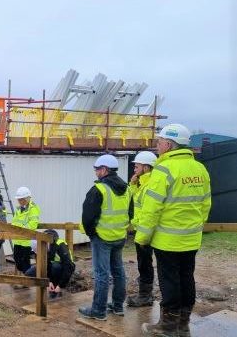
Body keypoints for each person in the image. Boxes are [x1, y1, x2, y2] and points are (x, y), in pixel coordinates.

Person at [136, 124, 211, 337]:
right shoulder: (200, 169)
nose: (157, 145)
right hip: (191, 239)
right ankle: (183, 324)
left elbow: (151, 210)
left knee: (170, 282)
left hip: (167, 241)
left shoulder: (164, 170)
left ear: (168, 145)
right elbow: (206, 204)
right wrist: (196, 227)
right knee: (187, 278)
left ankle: (167, 327)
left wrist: (142, 238)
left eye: (159, 142)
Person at [78, 154, 133, 321]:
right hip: (119, 237)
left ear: (105, 170)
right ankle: (118, 306)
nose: (95, 172)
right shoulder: (127, 189)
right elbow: (130, 213)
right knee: (118, 272)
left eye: (97, 169)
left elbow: (87, 217)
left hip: (102, 238)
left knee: (102, 274)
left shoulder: (99, 189)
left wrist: (92, 234)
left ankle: (99, 311)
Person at [127, 151, 158, 308]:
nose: (134, 169)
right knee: (143, 263)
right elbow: (138, 201)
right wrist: (133, 185)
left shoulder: (151, 184)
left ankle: (145, 296)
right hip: (143, 230)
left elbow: (149, 211)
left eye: (137, 166)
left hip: (147, 233)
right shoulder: (144, 183)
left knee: (145, 265)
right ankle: (145, 294)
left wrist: (143, 235)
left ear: (146, 167)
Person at [25, 229, 75, 299]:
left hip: (63, 267)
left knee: (55, 266)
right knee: (29, 273)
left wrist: (60, 285)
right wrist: (49, 281)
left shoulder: (60, 245)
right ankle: (48, 286)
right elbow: (45, 265)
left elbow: (69, 266)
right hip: (52, 267)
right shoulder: (41, 245)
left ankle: (56, 287)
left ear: (46, 244)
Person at [11, 186, 40, 275]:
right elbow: (14, 222)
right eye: (18, 199)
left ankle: (27, 280)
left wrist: (20, 229)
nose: (19, 201)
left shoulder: (33, 209)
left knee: (25, 264)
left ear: (26, 199)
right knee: (17, 261)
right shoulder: (19, 209)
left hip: (26, 241)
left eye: (21, 199)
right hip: (17, 240)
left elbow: (33, 225)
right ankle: (27, 277)